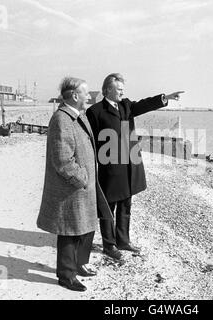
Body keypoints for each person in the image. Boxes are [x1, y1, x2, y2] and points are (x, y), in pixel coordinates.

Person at [86, 73, 184, 260]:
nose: (122, 92)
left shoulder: (126, 105)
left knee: (126, 205)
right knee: (108, 208)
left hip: (130, 165)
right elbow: (90, 140)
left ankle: (123, 240)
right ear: (107, 90)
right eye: (119, 89)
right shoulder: (95, 111)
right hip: (110, 168)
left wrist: (166, 98)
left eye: (123, 89)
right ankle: (109, 245)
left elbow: (144, 104)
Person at [37, 77, 111, 291]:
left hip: (84, 186)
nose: (90, 96)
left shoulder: (79, 115)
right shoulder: (62, 119)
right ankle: (66, 275)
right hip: (71, 188)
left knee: (86, 228)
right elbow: (62, 160)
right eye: (86, 93)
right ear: (75, 96)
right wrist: (82, 178)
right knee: (70, 231)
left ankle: (79, 264)